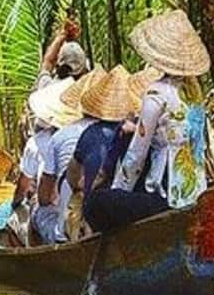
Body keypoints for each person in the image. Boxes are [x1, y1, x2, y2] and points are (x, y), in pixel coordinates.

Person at [85, 10, 211, 234]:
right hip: (196, 196)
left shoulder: (156, 92)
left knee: (95, 203)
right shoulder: (195, 94)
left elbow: (136, 156)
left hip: (166, 201)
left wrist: (119, 193)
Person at [59, 65, 154, 240]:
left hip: (119, 210)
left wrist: (85, 197)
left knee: (95, 202)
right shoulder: (136, 132)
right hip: (134, 204)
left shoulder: (95, 133)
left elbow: (77, 179)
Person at [33, 67, 105, 244]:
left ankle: (37, 245)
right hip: (101, 226)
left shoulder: (60, 136)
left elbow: (44, 196)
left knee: (38, 211)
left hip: (67, 231)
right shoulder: (118, 133)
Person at [8, 77, 76, 246]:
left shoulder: (41, 141)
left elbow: (34, 193)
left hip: (60, 223)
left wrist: (15, 205)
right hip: (83, 218)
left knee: (35, 208)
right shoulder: (90, 134)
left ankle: (31, 252)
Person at [35, 17, 90, 90]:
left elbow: (48, 62)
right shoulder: (87, 95)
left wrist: (63, 35)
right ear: (84, 71)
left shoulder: (46, 86)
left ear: (59, 64)